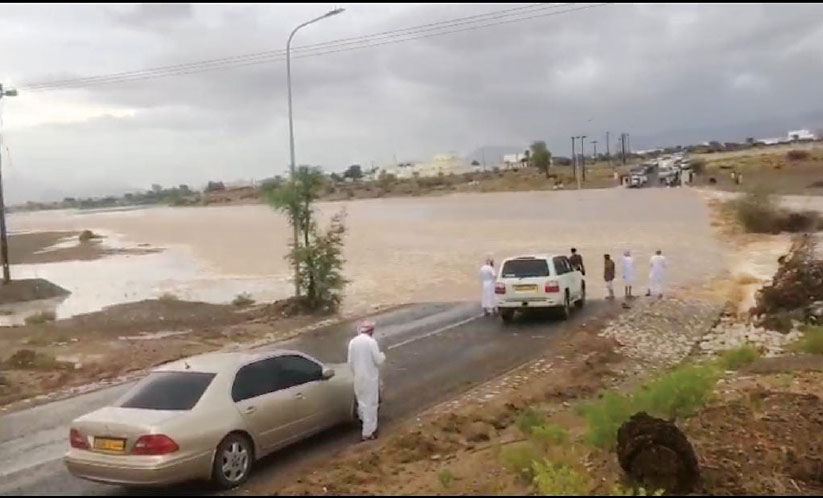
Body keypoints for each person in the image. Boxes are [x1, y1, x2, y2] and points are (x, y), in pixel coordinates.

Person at [347, 321, 386, 441]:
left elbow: (350, 362)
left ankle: (365, 425)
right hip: (370, 379)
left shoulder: (353, 342)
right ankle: (368, 433)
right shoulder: (371, 342)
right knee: (371, 405)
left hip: (358, 378)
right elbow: (378, 360)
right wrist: (383, 355)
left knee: (362, 404)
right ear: (371, 331)